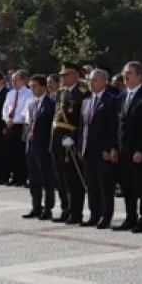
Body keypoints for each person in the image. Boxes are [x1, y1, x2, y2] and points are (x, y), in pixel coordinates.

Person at [115, 62, 142, 233]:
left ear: (139, 76)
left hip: (138, 150)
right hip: (123, 149)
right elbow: (118, 125)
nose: (125, 76)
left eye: (129, 73)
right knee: (127, 186)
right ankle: (130, 217)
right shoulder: (122, 97)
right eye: (124, 73)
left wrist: (141, 150)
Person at [78, 69, 119, 229]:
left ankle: (106, 216)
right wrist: (79, 145)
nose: (90, 82)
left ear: (104, 82)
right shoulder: (87, 101)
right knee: (91, 184)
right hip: (88, 149)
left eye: (94, 80)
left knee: (105, 184)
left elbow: (113, 127)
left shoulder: (111, 100)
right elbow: (82, 126)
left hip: (103, 150)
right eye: (89, 80)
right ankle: (94, 214)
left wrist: (109, 147)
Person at [51, 63, 89, 224]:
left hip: (70, 138)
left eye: (66, 75)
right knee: (60, 177)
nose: (62, 78)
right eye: (61, 75)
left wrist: (73, 137)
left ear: (75, 75)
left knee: (72, 177)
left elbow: (82, 119)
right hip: (57, 136)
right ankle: (65, 209)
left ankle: (76, 212)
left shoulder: (82, 94)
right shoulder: (61, 92)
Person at [23, 74, 56, 219]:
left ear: (43, 87)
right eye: (31, 87)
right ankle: (36, 206)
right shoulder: (31, 103)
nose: (33, 90)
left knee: (46, 179)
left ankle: (48, 208)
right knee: (34, 178)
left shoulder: (50, 103)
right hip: (32, 144)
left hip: (44, 146)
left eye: (35, 86)